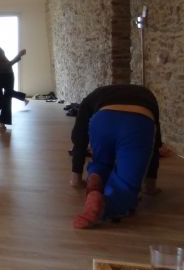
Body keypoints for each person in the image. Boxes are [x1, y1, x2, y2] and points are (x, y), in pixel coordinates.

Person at [69, 84, 163, 229]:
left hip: (103, 121)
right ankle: (108, 204)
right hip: (137, 123)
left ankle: (95, 185)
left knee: (101, 162)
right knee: (126, 185)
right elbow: (155, 143)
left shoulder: (96, 93)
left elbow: (79, 136)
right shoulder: (147, 94)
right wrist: (150, 184)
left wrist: (76, 176)